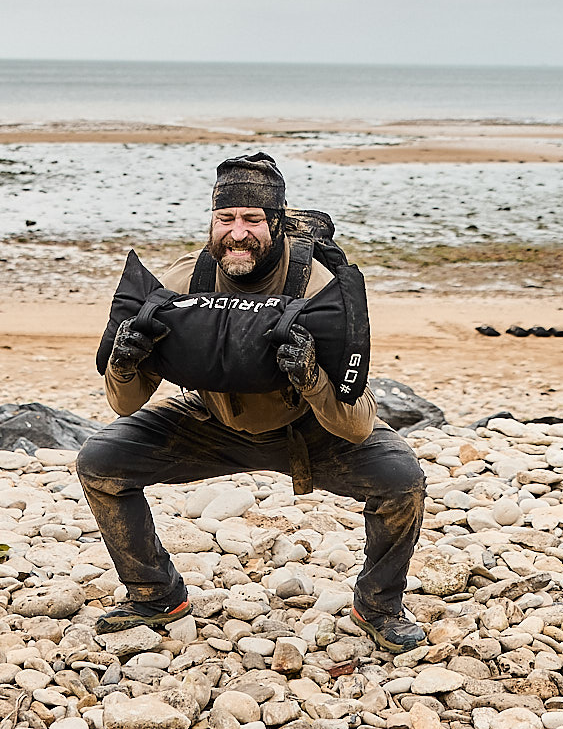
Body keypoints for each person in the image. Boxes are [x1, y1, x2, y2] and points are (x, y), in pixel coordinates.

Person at [75, 153, 430, 654]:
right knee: (99, 463)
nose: (237, 233)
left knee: (402, 482)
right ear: (211, 221)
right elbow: (124, 404)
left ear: (278, 223)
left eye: (253, 220)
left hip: (309, 430)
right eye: (226, 219)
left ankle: (378, 606)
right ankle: (155, 595)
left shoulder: (319, 289)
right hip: (211, 422)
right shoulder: (181, 284)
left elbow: (357, 424)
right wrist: (125, 361)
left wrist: (310, 376)